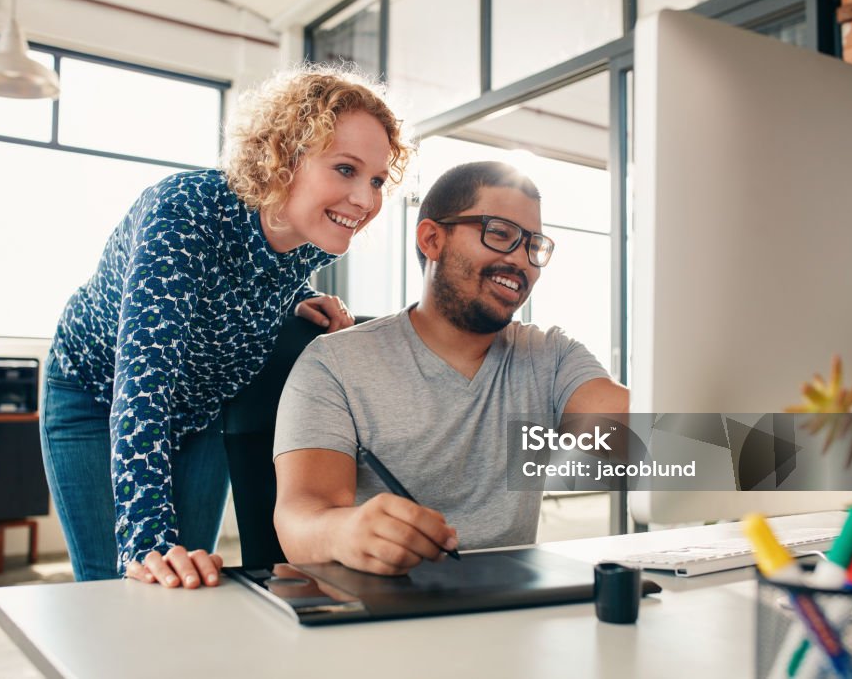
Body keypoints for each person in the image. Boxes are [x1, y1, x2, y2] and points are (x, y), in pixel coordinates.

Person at [40, 65, 411, 586]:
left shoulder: (304, 238)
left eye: (376, 180)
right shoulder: (182, 215)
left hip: (202, 411)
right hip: (99, 400)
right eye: (346, 170)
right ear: (283, 156)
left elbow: (240, 277)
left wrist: (296, 299)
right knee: (126, 585)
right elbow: (143, 388)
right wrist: (147, 544)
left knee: (193, 583)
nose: (367, 200)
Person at [272, 161, 629, 575]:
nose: (522, 261)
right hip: (383, 612)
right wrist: (344, 530)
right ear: (431, 239)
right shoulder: (334, 364)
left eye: (533, 246)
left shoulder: (551, 355)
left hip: (510, 612)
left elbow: (646, 438)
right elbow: (300, 519)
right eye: (500, 234)